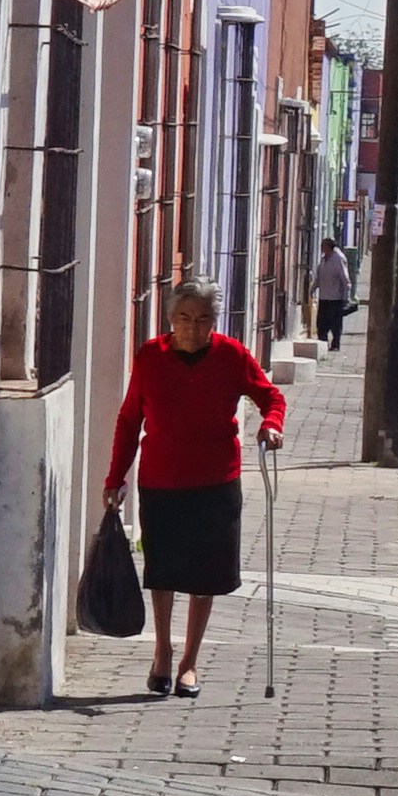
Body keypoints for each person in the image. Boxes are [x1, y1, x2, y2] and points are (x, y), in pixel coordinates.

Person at [105, 282, 287, 699]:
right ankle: (162, 653)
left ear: (214, 322)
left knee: (205, 576)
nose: (193, 327)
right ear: (171, 320)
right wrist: (115, 478)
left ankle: (189, 662)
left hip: (216, 480)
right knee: (163, 573)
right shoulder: (151, 356)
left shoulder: (232, 356)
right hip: (161, 480)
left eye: (203, 319)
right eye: (184, 318)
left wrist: (272, 424)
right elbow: (130, 420)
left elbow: (270, 396)